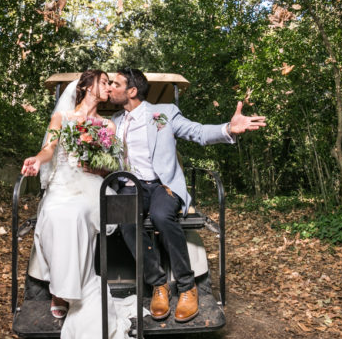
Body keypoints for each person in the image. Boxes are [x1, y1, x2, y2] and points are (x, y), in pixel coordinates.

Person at [107, 68, 266, 323]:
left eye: (115, 84)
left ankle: (186, 286)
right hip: (129, 186)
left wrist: (228, 128)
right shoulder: (113, 121)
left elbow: (198, 132)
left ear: (132, 91)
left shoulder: (165, 113)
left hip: (162, 185)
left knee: (161, 216)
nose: (109, 88)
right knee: (125, 221)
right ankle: (159, 284)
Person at [21, 70, 140, 339]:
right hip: (62, 182)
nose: (109, 87)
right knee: (57, 213)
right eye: (104, 81)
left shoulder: (108, 125)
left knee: (74, 214)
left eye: (111, 83)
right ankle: (62, 290)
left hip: (90, 185)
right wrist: (37, 159)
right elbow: (50, 148)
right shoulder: (62, 118)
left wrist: (96, 164)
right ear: (87, 85)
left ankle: (67, 290)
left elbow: (113, 164)